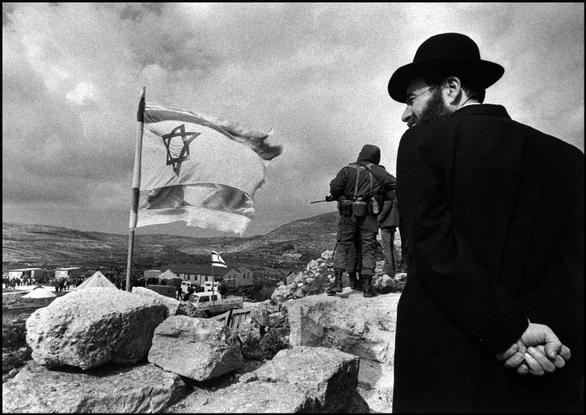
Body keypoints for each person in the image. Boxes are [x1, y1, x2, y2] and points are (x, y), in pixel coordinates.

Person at [387, 32, 584, 412]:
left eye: (412, 99)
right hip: (544, 365)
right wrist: (538, 332)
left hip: (446, 369)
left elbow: (434, 250)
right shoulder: (569, 158)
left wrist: (509, 333)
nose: (405, 113)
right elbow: (575, 261)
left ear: (452, 88)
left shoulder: (422, 144)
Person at [328, 144, 396, 298]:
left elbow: (334, 188)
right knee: (368, 247)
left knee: (343, 245)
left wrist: (343, 197)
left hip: (348, 215)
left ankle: (338, 282)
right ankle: (367, 286)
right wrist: (380, 194)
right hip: (368, 215)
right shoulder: (379, 171)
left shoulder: (347, 169)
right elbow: (394, 185)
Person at [376, 174, 399, 277]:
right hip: (393, 222)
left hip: (386, 223)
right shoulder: (393, 191)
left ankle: (389, 270)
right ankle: (395, 268)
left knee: (387, 247)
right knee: (390, 246)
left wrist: (378, 220)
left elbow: (386, 207)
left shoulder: (387, 192)